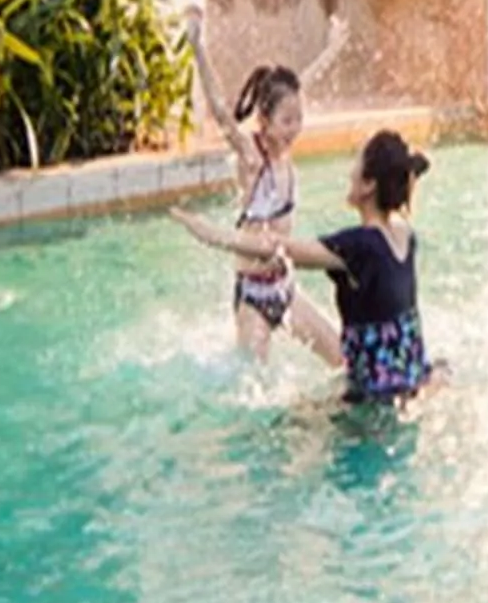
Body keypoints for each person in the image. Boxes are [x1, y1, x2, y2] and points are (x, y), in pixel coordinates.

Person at [173, 130, 434, 404]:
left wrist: (212, 234)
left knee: (283, 427)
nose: (350, 172)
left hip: (375, 400)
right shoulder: (406, 236)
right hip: (413, 379)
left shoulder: (360, 246)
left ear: (369, 184)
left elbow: (275, 247)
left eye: (356, 163)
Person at [184, 4, 345, 361]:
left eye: (298, 118)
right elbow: (222, 112)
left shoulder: (287, 158)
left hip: (284, 289)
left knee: (341, 359)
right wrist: (198, 46)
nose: (295, 128)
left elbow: (304, 85)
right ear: (264, 121)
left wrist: (331, 48)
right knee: (253, 385)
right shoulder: (252, 158)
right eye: (286, 121)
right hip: (254, 295)